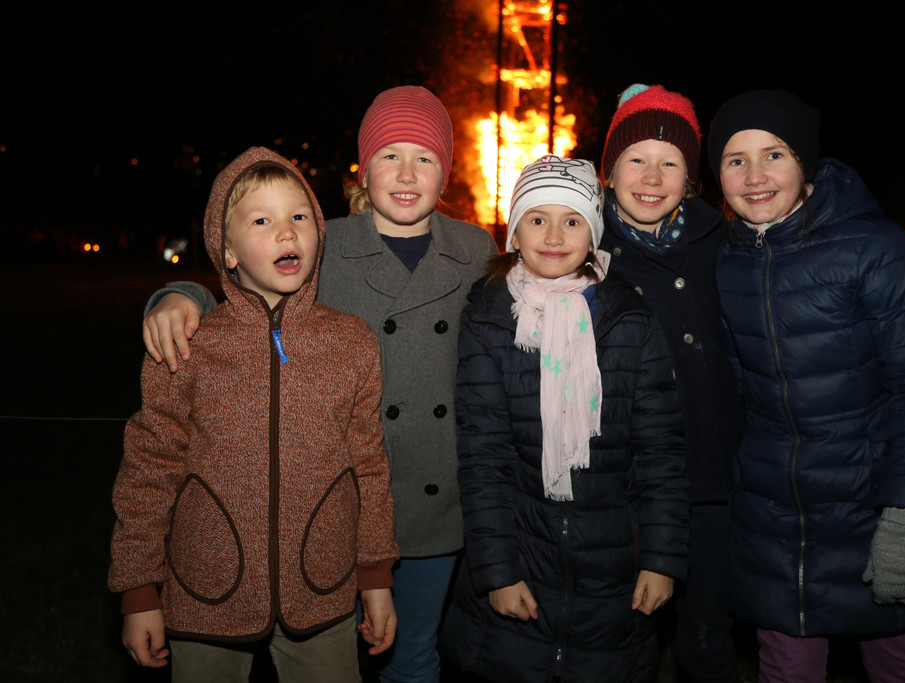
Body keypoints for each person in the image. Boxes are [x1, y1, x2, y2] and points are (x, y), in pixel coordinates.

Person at [138, 86, 498, 682]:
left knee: (411, 656)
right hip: (326, 504)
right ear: (363, 168)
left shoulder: (475, 248)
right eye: (389, 155)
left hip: (432, 502)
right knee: (316, 651)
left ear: (448, 171)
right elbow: (249, 303)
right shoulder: (320, 239)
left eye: (425, 157)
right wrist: (180, 296)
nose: (407, 174)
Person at [109, 146, 399, 681]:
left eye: (300, 217)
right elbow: (149, 468)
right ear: (228, 251)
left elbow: (370, 467)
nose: (287, 232)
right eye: (261, 221)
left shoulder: (352, 342)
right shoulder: (187, 345)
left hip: (324, 588)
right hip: (205, 589)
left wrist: (375, 576)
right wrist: (139, 589)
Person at [708, 89, 905, 682]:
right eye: (735, 159)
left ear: (806, 163)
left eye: (774, 155)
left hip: (872, 505)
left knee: (899, 664)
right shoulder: (724, 259)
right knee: (786, 667)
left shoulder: (874, 249)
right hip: (775, 517)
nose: (754, 176)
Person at [440, 155, 689, 682]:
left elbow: (661, 453)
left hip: (614, 572)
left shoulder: (631, 321)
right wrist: (497, 572)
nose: (554, 236)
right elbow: (483, 459)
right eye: (537, 219)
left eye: (572, 221)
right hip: (522, 556)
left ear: (593, 234)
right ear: (514, 232)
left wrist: (662, 559)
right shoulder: (488, 319)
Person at [598, 83, 744, 682]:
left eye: (671, 162)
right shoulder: (583, 249)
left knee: (708, 633)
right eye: (636, 159)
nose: (652, 178)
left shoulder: (722, 241)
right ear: (609, 172)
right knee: (618, 635)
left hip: (711, 477)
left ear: (691, 180)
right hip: (623, 486)